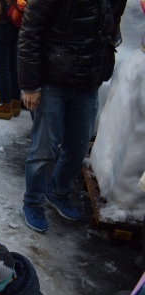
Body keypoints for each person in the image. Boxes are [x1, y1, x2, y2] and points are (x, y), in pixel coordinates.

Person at [18, 0, 115, 232]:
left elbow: (110, 28)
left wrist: (102, 67)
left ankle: (58, 191)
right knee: (43, 150)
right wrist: (30, 85)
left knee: (79, 147)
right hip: (52, 81)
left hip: (88, 83)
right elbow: (30, 34)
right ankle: (33, 202)